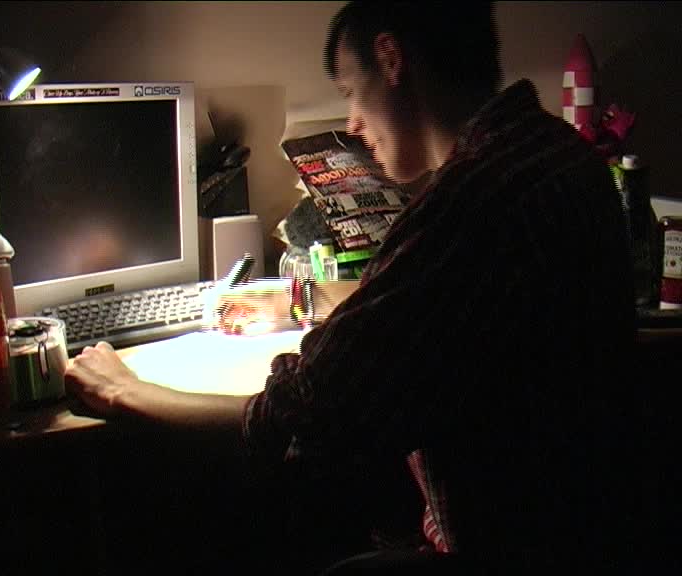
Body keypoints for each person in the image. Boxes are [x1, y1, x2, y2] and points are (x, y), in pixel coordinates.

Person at [65, 1, 638, 573]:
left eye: (351, 93)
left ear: (391, 59)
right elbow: (432, 301)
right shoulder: (556, 155)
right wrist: (306, 299)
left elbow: (301, 417)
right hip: (592, 534)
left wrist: (124, 391)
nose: (355, 124)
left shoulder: (469, 201)